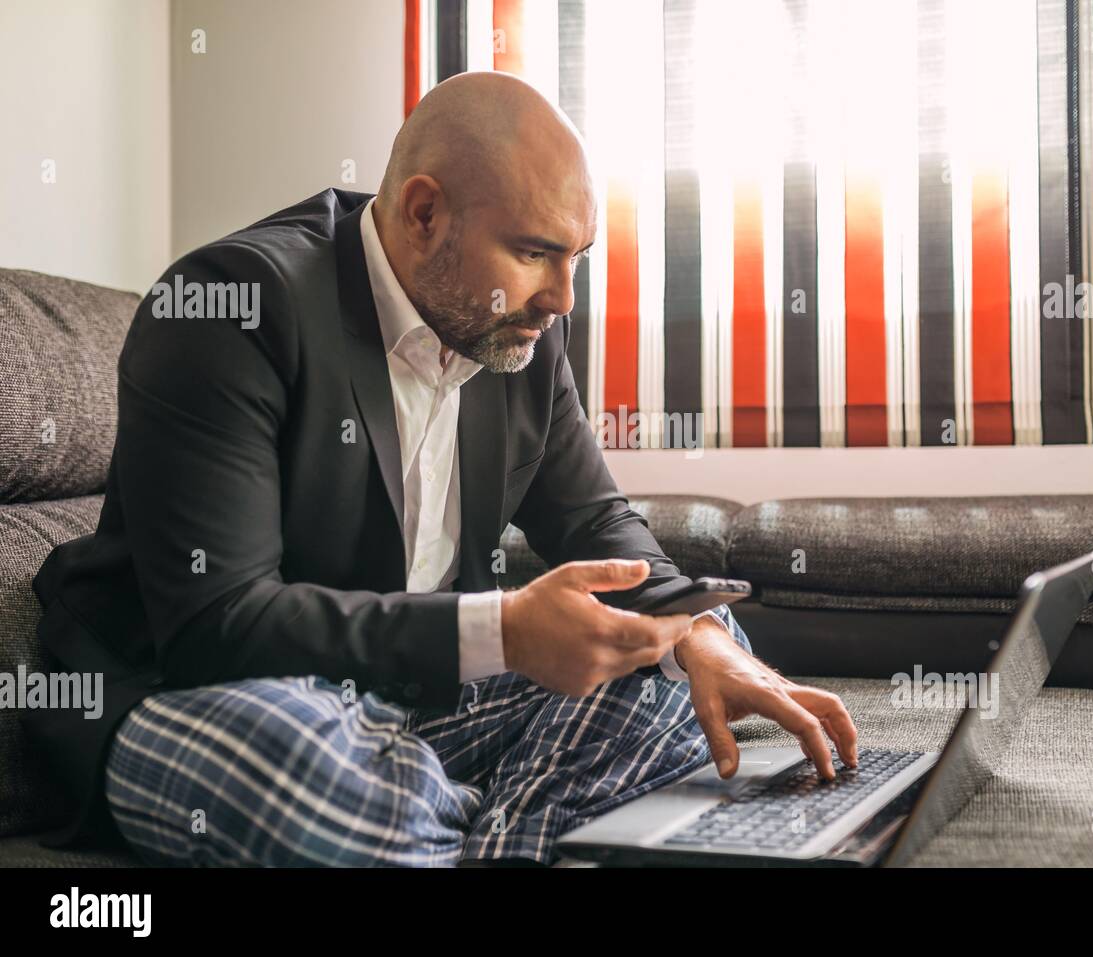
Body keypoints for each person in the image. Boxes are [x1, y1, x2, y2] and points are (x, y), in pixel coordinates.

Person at [26, 71, 857, 867]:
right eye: (535, 253)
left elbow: (597, 521)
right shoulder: (233, 307)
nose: (563, 297)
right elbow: (220, 626)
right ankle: (474, 817)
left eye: (578, 259)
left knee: (669, 651)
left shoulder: (519, 330)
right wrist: (503, 630)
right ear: (424, 212)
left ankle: (473, 841)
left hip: (416, 698)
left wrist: (694, 632)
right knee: (309, 767)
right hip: (192, 693)